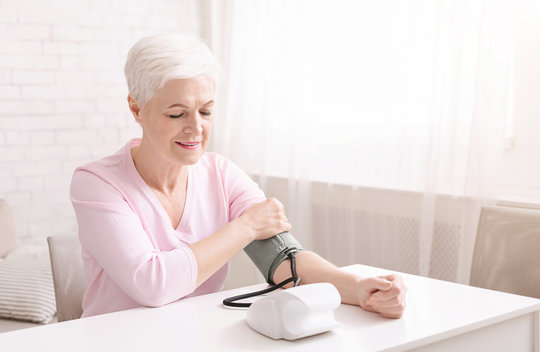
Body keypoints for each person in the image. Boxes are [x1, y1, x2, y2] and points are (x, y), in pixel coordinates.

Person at [70, 33, 406, 319]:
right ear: (136, 109)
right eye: (177, 114)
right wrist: (245, 226)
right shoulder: (97, 183)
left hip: (194, 340)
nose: (196, 128)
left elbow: (281, 258)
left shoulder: (222, 174)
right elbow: (151, 283)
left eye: (206, 110)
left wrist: (358, 288)